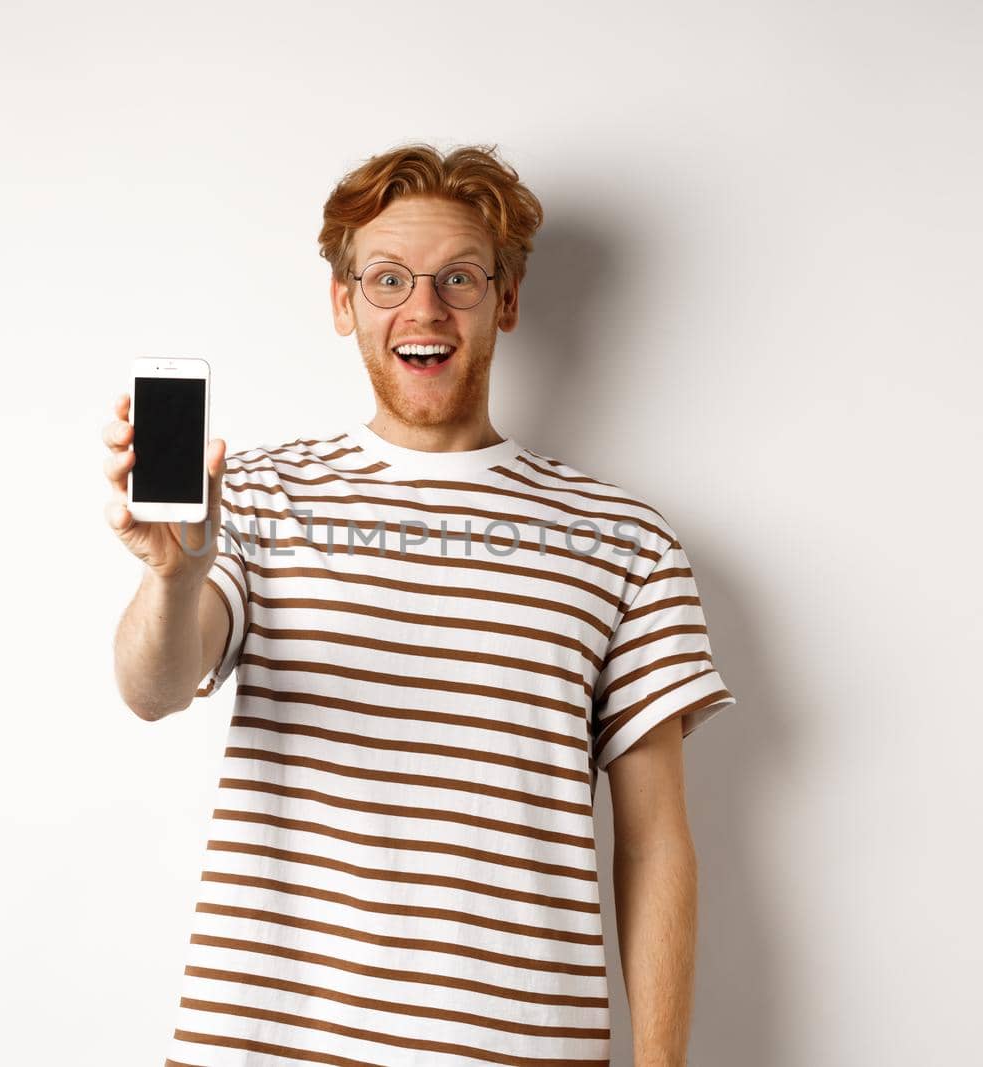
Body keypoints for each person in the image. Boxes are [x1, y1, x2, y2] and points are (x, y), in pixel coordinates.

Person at [101, 142, 737, 1067]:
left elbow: (656, 846)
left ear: (507, 300)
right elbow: (153, 687)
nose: (423, 308)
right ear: (343, 302)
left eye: (460, 278)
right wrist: (172, 577)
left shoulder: (624, 537)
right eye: (388, 278)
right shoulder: (260, 496)